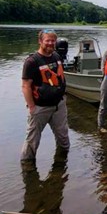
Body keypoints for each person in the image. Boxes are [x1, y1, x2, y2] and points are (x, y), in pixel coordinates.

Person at [20, 29, 70, 162]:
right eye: (47, 40)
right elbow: (25, 86)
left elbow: (60, 78)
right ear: (40, 41)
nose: (50, 43)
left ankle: (61, 165)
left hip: (58, 105)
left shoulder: (57, 57)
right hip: (40, 107)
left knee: (63, 138)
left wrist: (63, 98)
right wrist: (32, 107)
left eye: (53, 40)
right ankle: (28, 168)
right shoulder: (32, 61)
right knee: (32, 141)